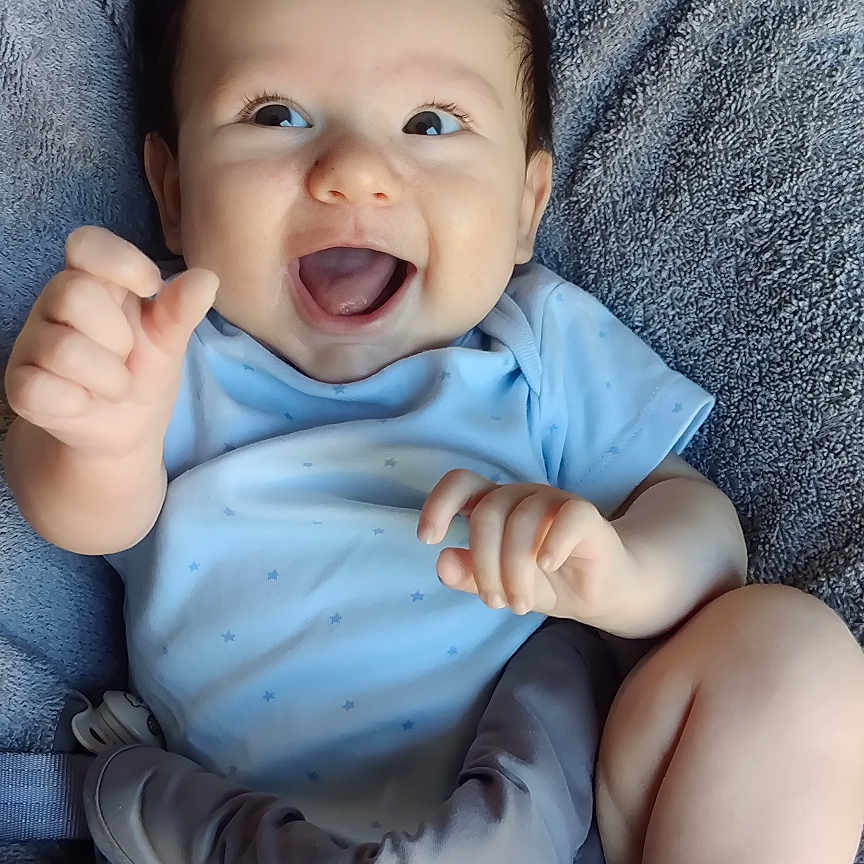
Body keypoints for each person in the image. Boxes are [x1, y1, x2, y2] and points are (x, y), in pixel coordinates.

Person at [4, 0, 864, 861]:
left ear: (526, 207)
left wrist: (626, 571)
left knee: (787, 652)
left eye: (430, 123)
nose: (353, 171)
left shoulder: (539, 346)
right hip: (253, 827)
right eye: (276, 115)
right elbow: (84, 516)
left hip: (559, 816)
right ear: (176, 194)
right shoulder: (165, 350)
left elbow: (705, 532)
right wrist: (100, 427)